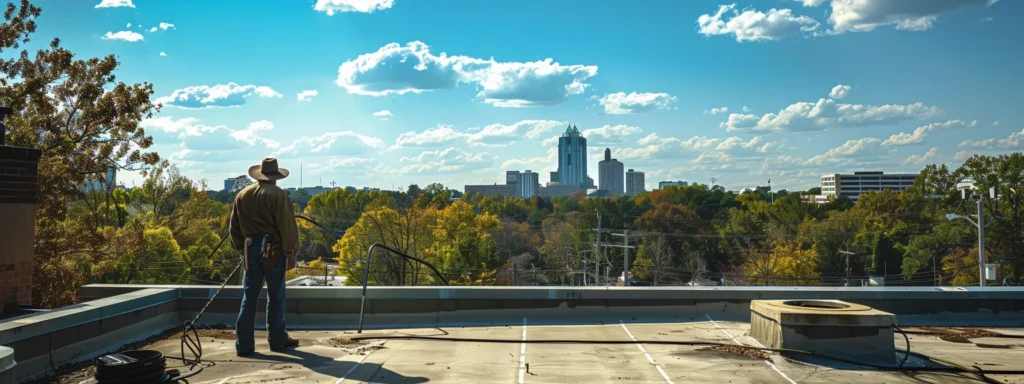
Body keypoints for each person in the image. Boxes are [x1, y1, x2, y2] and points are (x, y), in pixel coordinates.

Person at [229, 158, 301, 356]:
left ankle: (244, 345)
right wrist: (291, 253)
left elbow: (234, 227)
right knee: (276, 295)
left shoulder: (242, 195)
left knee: (249, 297)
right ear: (275, 177)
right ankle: (277, 339)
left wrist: (242, 248)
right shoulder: (279, 195)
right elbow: (287, 227)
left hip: (250, 247)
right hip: (274, 250)